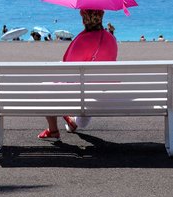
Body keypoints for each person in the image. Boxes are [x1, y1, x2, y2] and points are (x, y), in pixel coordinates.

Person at [38, 9, 118, 141]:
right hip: (104, 92)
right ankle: (73, 120)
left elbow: (67, 70)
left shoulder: (80, 41)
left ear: (84, 19)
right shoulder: (111, 39)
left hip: (81, 93)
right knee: (82, 120)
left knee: (46, 86)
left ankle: (53, 130)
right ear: (101, 17)